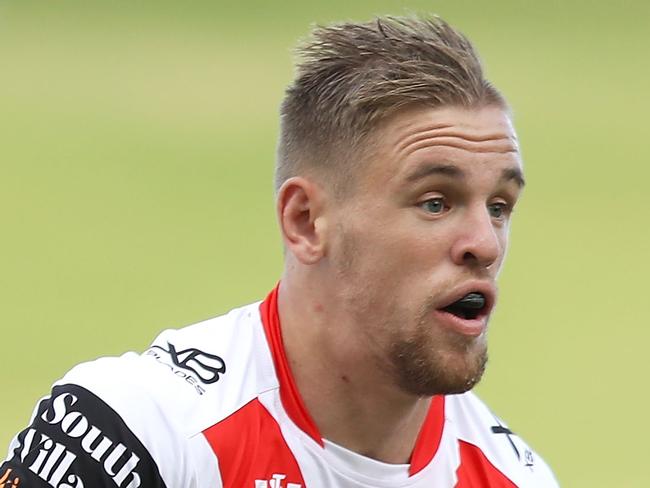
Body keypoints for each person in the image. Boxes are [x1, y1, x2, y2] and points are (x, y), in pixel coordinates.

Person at [1, 15, 558, 488]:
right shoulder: (138, 435)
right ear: (306, 221)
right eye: (436, 202)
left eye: (499, 206)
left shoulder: (512, 477)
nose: (484, 244)